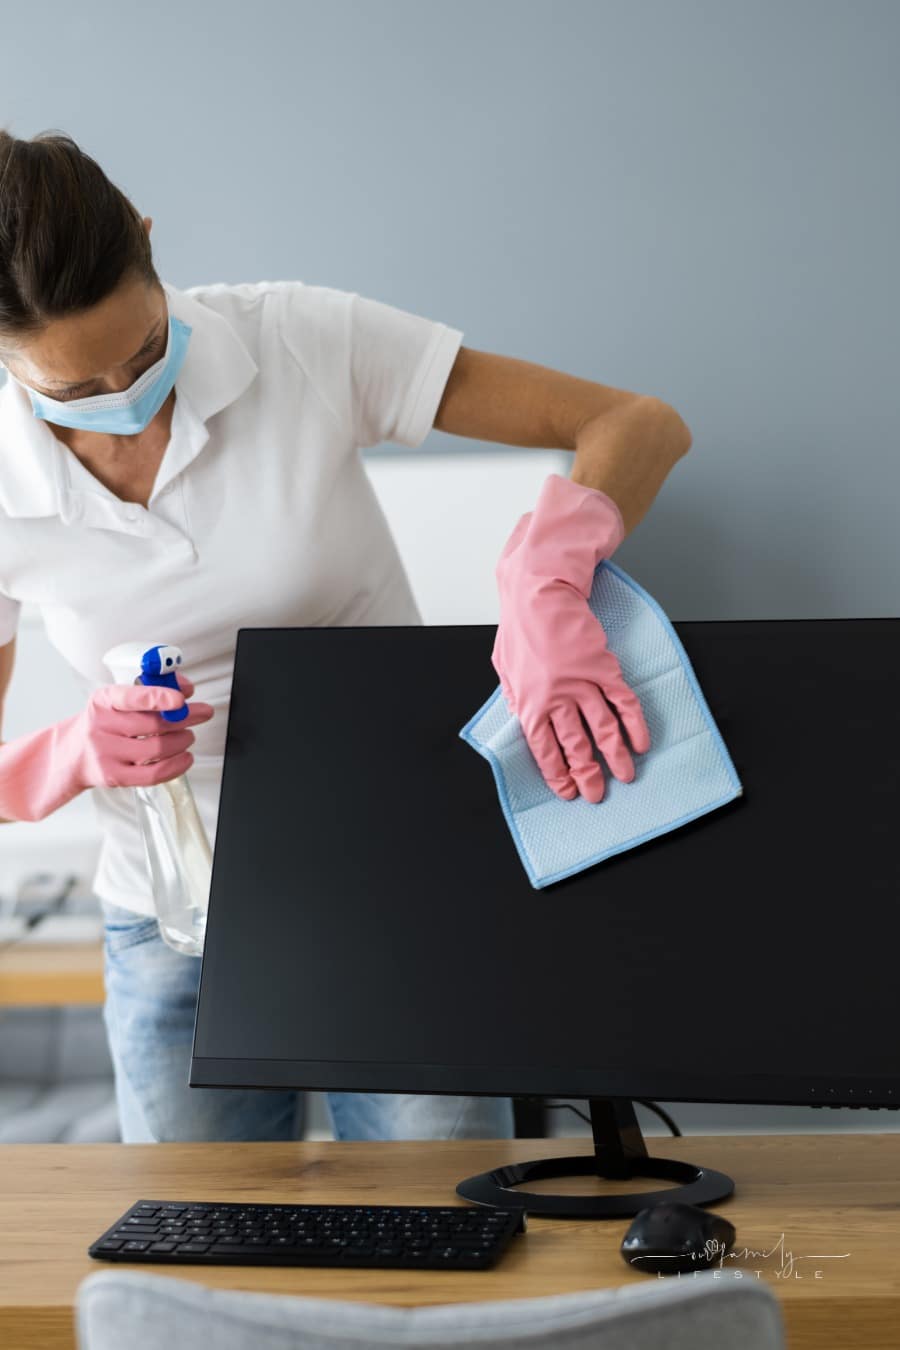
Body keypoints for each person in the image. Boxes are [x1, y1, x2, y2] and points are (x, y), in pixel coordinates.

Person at [0, 129, 691, 1143]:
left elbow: (638, 423)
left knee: (446, 1237)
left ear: (149, 243)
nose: (121, 406)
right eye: (70, 393)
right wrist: (62, 756)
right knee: (200, 1261)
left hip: (396, 883)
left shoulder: (293, 340)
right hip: (174, 925)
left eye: (142, 353)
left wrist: (551, 570)